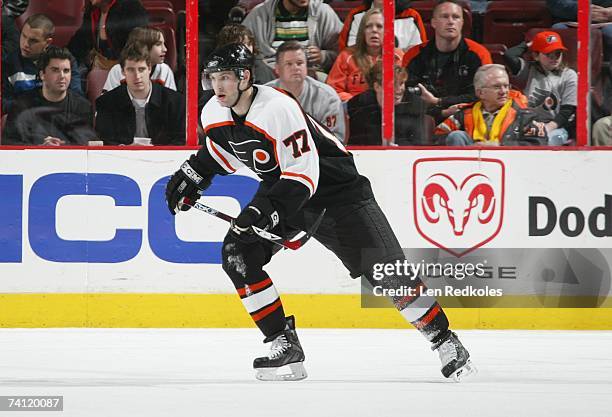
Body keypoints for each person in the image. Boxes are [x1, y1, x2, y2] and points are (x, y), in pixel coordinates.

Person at [165, 43, 475, 382]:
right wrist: (193, 174)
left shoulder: (277, 108)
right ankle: (284, 346)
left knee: (387, 273)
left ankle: (446, 341)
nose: (218, 85)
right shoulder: (214, 111)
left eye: (225, 77)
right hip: (284, 188)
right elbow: (224, 150)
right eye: (213, 78)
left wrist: (261, 210)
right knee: (237, 253)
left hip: (338, 192)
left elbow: (305, 174)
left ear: (245, 77)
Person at [403, 0, 491, 123]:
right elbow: (406, 96)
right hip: (423, 119)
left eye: (456, 17)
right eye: (445, 16)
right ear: (433, 22)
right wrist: (441, 112)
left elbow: (483, 94)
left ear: (462, 23)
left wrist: (438, 102)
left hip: (466, 118)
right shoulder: (414, 55)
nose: (450, 21)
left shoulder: (479, 54)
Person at [2, 46, 96, 146]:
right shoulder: (22, 105)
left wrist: (62, 148)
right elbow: (8, 144)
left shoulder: (83, 106)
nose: (62, 76)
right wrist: (40, 148)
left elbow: (86, 146)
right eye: (55, 70)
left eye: (66, 71)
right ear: (42, 74)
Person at [95, 43, 185, 145]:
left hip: (163, 159)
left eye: (141, 69)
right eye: (130, 70)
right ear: (123, 72)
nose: (137, 76)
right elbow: (104, 140)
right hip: (121, 159)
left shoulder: (175, 102)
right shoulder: (106, 103)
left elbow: (181, 140)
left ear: (149, 68)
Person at [435, 64, 546, 146]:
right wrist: (471, 148)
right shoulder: (464, 114)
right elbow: (437, 137)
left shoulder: (526, 115)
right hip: (469, 169)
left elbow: (539, 143)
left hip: (510, 168)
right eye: (497, 87)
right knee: (456, 136)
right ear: (480, 93)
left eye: (506, 86)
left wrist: (500, 146)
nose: (504, 91)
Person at [503, 31, 577, 146]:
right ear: (536, 56)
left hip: (555, 127)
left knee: (549, 140)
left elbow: (567, 110)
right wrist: (527, 44)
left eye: (558, 54)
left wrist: (547, 129)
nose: (554, 58)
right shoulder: (528, 69)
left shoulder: (569, 75)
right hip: (527, 124)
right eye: (548, 54)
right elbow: (509, 55)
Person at [2, 13, 82, 114]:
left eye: (33, 41)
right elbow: (3, 103)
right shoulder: (8, 63)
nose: (25, 44)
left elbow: (76, 96)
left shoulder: (64, 60)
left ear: (47, 42)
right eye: (24, 36)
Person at [266, 41, 345, 141]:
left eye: (300, 63)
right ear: (277, 69)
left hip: (318, 154)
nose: (295, 68)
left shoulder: (327, 97)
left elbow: (334, 140)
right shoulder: (264, 96)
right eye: (289, 64)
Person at [242, 0, 342, 74]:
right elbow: (240, 47)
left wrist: (323, 56)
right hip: (270, 74)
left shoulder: (323, 12)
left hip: (310, 73)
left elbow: (343, 51)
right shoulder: (260, 14)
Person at [326, 8, 403, 102]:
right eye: (368, 26)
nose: (374, 30)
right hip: (354, 109)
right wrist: (356, 102)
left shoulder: (398, 56)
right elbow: (333, 90)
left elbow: (403, 88)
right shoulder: (346, 56)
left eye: (379, 26)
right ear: (363, 31)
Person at [347, 61, 426, 145]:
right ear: (377, 86)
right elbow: (356, 142)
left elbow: (418, 143)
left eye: (401, 83)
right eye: (393, 84)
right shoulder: (359, 104)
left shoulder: (414, 104)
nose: (399, 90)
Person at [67, 0, 149, 71]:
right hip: (100, 66)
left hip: (127, 68)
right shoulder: (93, 12)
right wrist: (64, 57)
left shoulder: (131, 8)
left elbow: (137, 46)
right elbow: (80, 42)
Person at [102, 27, 176, 93]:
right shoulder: (117, 71)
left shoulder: (165, 70)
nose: (165, 49)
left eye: (164, 44)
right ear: (143, 46)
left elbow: (172, 103)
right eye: (158, 44)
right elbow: (106, 104)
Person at [338, 0, 427, 52]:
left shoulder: (411, 16)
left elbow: (420, 54)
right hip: (362, 74)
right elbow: (346, 53)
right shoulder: (356, 15)